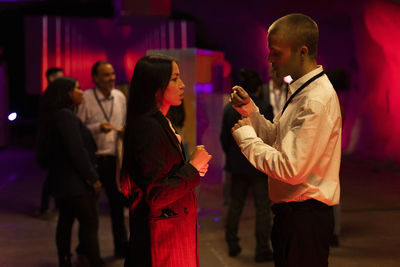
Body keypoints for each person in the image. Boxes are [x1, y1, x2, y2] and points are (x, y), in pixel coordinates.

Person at [230, 13, 342, 267]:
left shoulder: (315, 98)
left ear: (302, 52)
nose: (269, 59)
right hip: (295, 218)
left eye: (276, 52)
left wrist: (247, 139)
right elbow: (278, 138)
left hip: (305, 220)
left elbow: (289, 168)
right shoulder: (303, 90)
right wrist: (251, 112)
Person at [120, 54, 212, 267]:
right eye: (175, 79)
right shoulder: (149, 126)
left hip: (169, 232)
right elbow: (157, 193)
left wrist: (192, 170)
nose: (182, 85)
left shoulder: (159, 122)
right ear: (155, 85)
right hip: (161, 238)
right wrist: (192, 167)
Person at [37, 77, 103, 267]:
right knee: (90, 223)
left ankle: (65, 259)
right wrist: (93, 178)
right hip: (76, 184)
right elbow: (77, 150)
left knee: (65, 221)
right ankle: (93, 260)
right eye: (78, 88)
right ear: (67, 93)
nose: (82, 92)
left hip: (64, 183)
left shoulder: (56, 116)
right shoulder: (65, 116)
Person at [220, 68, 274, 262]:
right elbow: (269, 137)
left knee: (235, 205)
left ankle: (232, 245)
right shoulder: (265, 107)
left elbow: (224, 138)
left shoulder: (228, 109)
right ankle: (262, 249)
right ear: (259, 88)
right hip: (258, 166)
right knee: (262, 207)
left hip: (237, 166)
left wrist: (232, 156)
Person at [77, 60, 128, 258]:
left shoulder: (120, 97)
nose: (112, 78)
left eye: (112, 73)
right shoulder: (86, 98)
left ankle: (121, 248)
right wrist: (98, 127)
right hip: (94, 160)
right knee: (89, 212)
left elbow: (123, 122)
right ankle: (88, 252)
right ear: (95, 78)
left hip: (115, 159)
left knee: (117, 207)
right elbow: (79, 129)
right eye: (106, 75)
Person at [37, 67, 65, 220]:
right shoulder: (49, 97)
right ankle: (46, 208)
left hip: (53, 142)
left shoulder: (52, 96)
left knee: (55, 176)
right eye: (60, 77)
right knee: (53, 177)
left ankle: (51, 207)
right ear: (51, 78)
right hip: (52, 143)